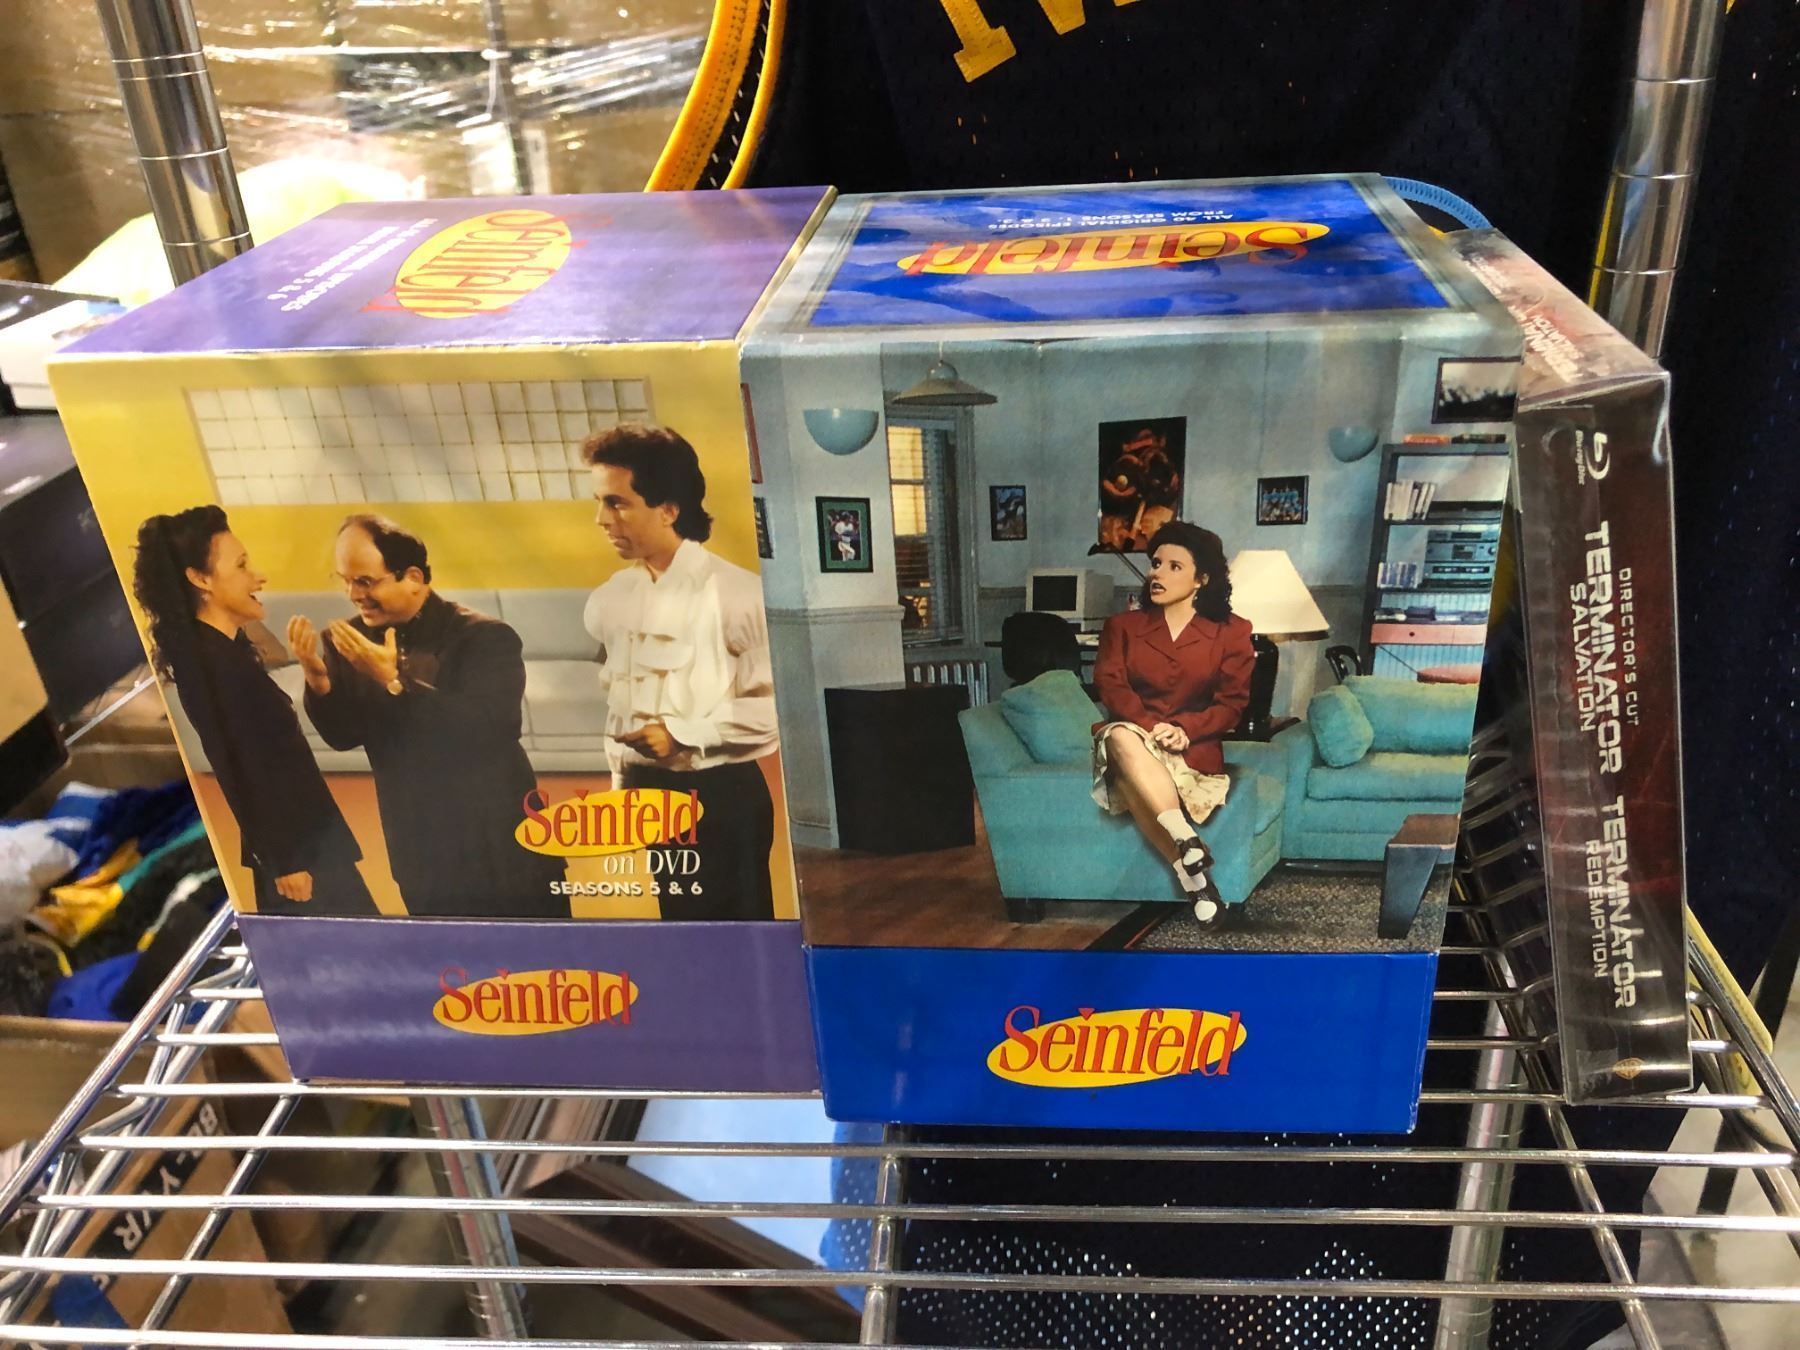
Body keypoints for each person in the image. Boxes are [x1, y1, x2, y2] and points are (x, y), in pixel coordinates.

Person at [289, 514, 566, 917]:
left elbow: (489, 728)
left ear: (414, 577)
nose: (353, 594)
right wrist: (318, 682)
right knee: (446, 952)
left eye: (365, 581)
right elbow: (343, 737)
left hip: (500, 840)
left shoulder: (485, 636)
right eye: (345, 580)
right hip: (419, 849)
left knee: (540, 948)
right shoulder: (346, 640)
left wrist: (393, 682)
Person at [132, 506, 376, 916]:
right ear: (200, 579)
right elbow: (239, 767)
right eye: (242, 565)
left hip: (309, 844)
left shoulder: (222, 651)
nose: (257, 577)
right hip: (300, 859)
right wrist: (285, 860)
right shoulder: (210, 663)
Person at [582, 424, 779, 921]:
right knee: (681, 924)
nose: (601, 520)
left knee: (739, 932)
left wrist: (681, 734)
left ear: (669, 509)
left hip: (722, 796)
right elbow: (620, 704)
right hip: (650, 796)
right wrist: (621, 792)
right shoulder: (609, 600)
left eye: (617, 503)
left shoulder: (738, 595)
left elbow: (773, 713)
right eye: (599, 503)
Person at [1090, 520, 1254, 922]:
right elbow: (1111, 687)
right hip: (1133, 736)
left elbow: (1232, 704)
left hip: (1192, 748)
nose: (1157, 574)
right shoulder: (1122, 627)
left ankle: (1192, 877)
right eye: (1156, 564)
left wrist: (1185, 730)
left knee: (1128, 779)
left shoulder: (1233, 632)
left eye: (1174, 566)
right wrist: (1152, 728)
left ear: (1202, 579)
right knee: (1119, 737)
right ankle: (1186, 840)